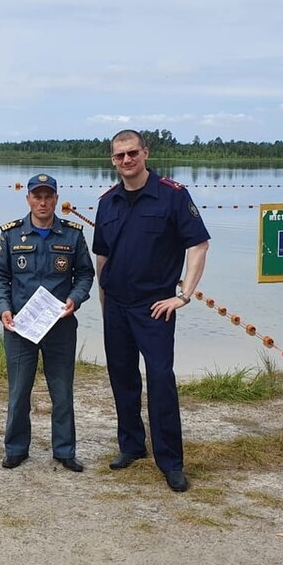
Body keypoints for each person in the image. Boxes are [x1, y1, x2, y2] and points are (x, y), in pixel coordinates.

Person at [92, 129, 210, 493]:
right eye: (119, 155)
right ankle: (131, 445)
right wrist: (103, 300)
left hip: (155, 307)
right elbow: (102, 256)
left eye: (132, 153)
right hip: (117, 304)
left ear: (145, 153)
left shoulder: (172, 196)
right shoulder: (108, 202)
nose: (126, 160)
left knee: (160, 381)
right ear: (113, 160)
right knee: (122, 377)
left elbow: (199, 245)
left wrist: (184, 296)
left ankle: (170, 461)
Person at [0, 174, 95, 472]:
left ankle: (64, 450)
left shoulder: (72, 235)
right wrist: (3, 309)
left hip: (60, 326)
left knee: (62, 393)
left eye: (49, 196)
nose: (43, 202)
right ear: (28, 199)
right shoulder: (11, 235)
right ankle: (16, 449)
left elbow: (85, 274)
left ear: (56, 199)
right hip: (20, 327)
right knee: (19, 392)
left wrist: (75, 299)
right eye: (37, 196)